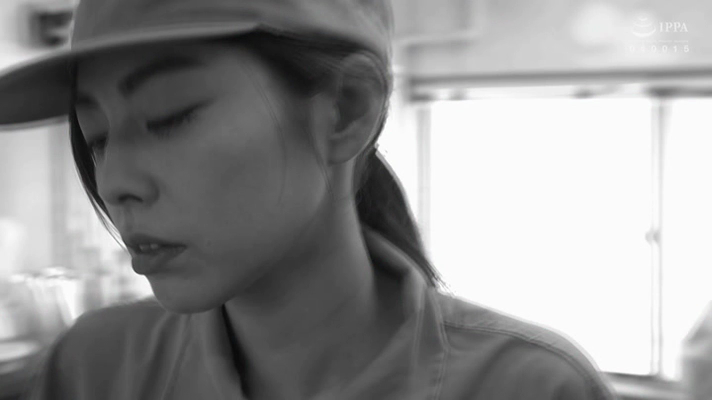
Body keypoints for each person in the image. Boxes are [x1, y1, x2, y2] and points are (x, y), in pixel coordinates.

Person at [0, 0, 618, 399]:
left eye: (170, 116)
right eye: (97, 137)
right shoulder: (94, 368)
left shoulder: (527, 385)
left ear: (347, 110)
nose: (113, 182)